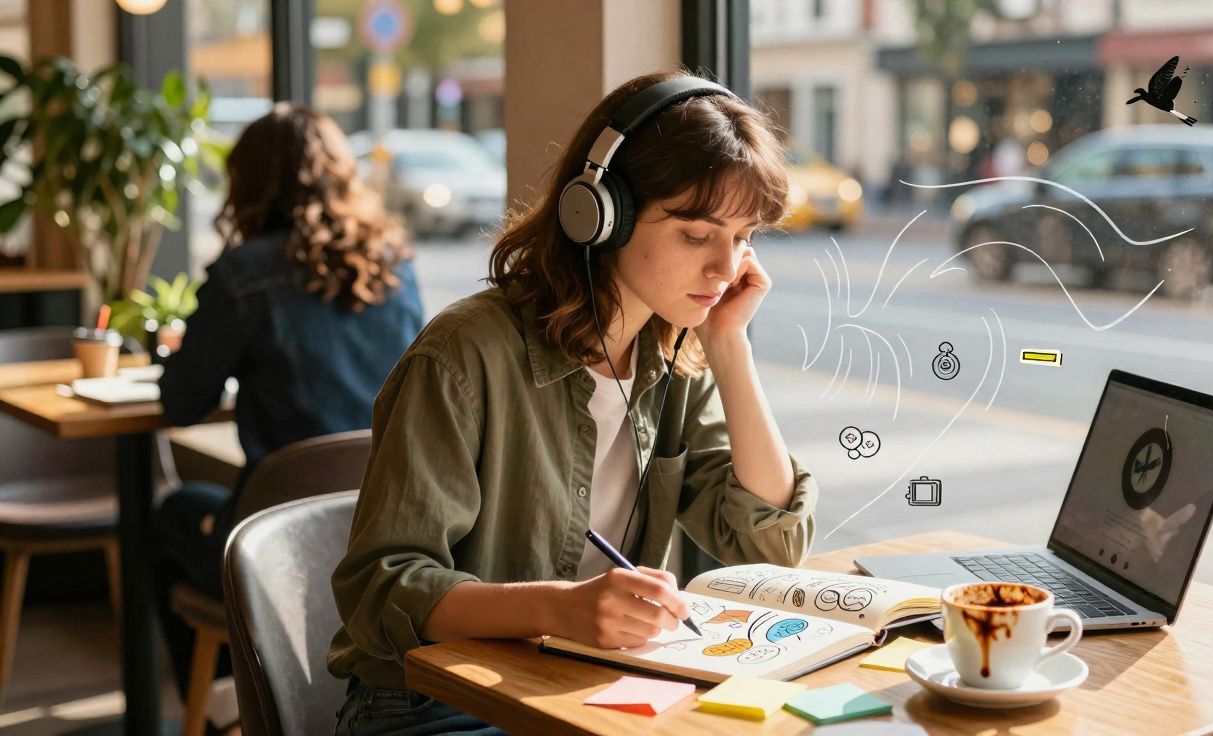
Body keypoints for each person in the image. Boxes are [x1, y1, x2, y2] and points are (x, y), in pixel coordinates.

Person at [328, 70, 820, 735]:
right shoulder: (465, 355)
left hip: (580, 688)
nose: (726, 270)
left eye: (743, 237)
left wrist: (729, 346)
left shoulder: (676, 351)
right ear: (601, 214)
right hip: (438, 705)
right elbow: (382, 587)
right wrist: (559, 609)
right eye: (696, 235)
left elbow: (768, 541)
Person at [152, 103, 424, 731]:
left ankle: (219, 705)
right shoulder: (394, 262)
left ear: (248, 183)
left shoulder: (243, 275)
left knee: (171, 514)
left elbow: (181, 402)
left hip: (275, 544)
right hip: (386, 541)